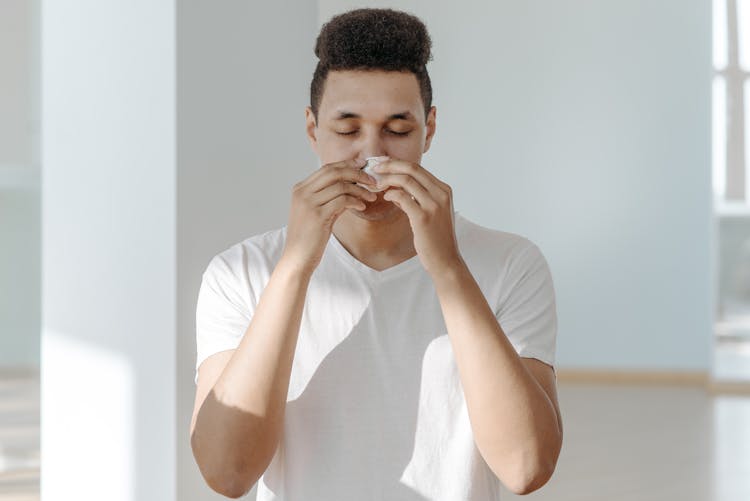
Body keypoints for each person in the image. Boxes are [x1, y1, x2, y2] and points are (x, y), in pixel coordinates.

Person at [190, 8, 562, 500]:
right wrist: (297, 264)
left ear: (429, 129)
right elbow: (227, 473)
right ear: (311, 129)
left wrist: (448, 268)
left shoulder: (511, 264)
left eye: (398, 130)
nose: (371, 155)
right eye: (347, 130)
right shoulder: (240, 273)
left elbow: (525, 468)